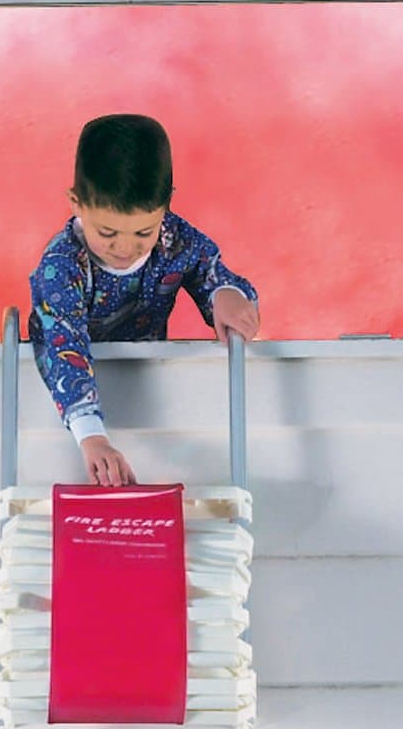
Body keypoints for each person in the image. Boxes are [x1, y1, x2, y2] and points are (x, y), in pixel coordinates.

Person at [28, 114, 260, 487]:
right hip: (71, 407)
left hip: (145, 384)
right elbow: (63, 344)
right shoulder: (62, 266)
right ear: (77, 204)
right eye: (107, 232)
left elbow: (210, 271)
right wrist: (92, 436)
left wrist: (226, 295)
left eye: (142, 231)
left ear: (165, 209)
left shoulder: (173, 239)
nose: (125, 247)